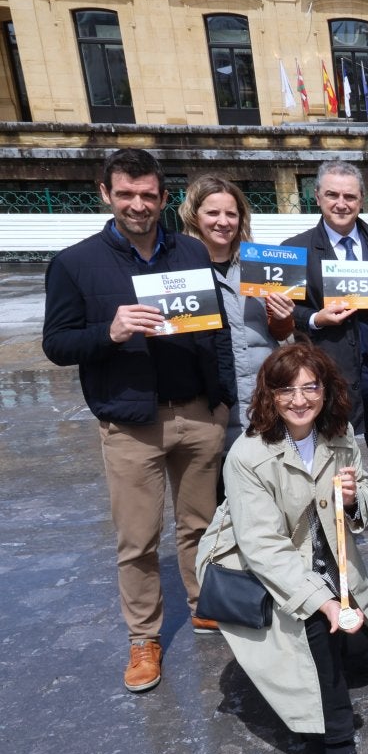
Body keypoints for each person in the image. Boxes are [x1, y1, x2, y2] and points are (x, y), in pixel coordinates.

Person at [42, 148, 235, 692]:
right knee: (138, 538)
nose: (138, 205)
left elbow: (216, 331)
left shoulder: (191, 251)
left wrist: (219, 400)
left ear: (164, 198)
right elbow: (56, 344)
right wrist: (111, 330)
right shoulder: (76, 263)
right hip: (130, 423)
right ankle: (144, 638)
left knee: (200, 525)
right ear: (105, 193)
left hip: (197, 415)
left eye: (148, 195)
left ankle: (203, 604)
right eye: (126, 194)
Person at [198, 343, 368, 754]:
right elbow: (262, 545)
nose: (299, 400)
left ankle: (348, 649)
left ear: (326, 390)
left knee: (344, 626)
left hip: (322, 547)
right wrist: (323, 601)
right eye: (286, 391)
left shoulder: (340, 433)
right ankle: (334, 733)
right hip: (254, 559)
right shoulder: (247, 455)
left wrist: (351, 500)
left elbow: (364, 491)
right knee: (315, 617)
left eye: (310, 387)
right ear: (269, 395)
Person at [179, 174, 293, 446]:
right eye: (213, 213)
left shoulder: (258, 266)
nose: (223, 221)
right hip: (211, 406)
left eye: (231, 213)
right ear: (194, 216)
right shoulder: (180, 270)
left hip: (263, 397)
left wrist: (284, 317)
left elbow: (279, 333)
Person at [286, 160, 368, 436]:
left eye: (350, 196)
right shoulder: (294, 250)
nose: (341, 204)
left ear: (361, 200)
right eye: (332, 195)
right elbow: (284, 312)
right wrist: (315, 318)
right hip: (325, 373)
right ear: (317, 197)